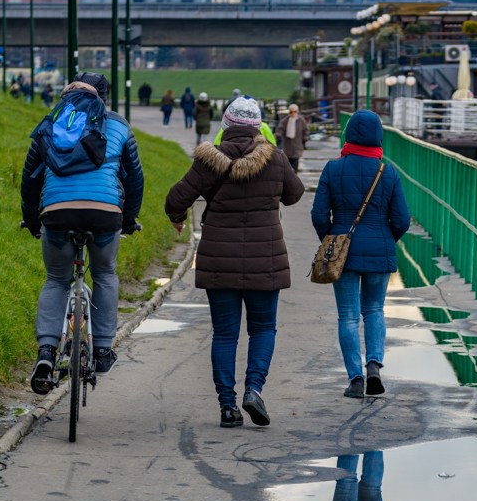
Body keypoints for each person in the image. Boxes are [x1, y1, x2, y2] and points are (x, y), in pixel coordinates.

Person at [165, 95, 304, 429]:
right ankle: (253, 390)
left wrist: (177, 218)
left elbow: (176, 198)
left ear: (225, 124)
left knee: (225, 335)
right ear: (257, 127)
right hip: (265, 260)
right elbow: (294, 194)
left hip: (219, 261)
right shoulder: (276, 159)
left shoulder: (208, 160)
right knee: (263, 328)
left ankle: (227, 406)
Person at [21, 71, 144, 393]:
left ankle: (46, 352)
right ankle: (102, 349)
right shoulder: (119, 126)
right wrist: (128, 219)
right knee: (104, 274)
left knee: (56, 280)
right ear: (103, 97)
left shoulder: (51, 123)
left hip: (57, 214)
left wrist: (32, 220)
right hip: (104, 213)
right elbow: (134, 178)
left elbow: (30, 179)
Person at [311, 109, 411, 399]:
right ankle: (374, 365)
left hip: (343, 254)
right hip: (380, 249)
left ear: (349, 135)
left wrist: (333, 242)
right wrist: (386, 239)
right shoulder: (387, 172)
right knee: (375, 310)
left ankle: (355, 379)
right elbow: (402, 219)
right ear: (378, 136)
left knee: (348, 316)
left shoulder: (333, 169)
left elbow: (319, 215)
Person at [275, 103, 309, 173]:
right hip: (288, 146)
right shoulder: (285, 120)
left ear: (297, 111)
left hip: (297, 145)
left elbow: (305, 130)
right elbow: (280, 129)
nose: (293, 113)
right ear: (289, 112)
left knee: (295, 164)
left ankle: (294, 176)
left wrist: (305, 138)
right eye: (291, 112)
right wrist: (278, 134)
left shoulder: (301, 120)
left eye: (295, 111)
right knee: (288, 165)